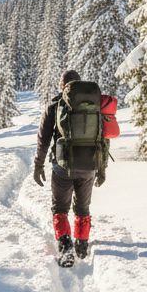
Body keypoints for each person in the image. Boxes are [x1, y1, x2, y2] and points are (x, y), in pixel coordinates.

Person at [33, 70, 110, 264]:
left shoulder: (54, 106)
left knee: (59, 207)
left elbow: (43, 139)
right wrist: (101, 168)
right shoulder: (94, 106)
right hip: (89, 166)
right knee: (83, 208)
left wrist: (38, 165)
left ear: (63, 87)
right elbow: (103, 139)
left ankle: (66, 246)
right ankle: (82, 245)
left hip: (62, 167)